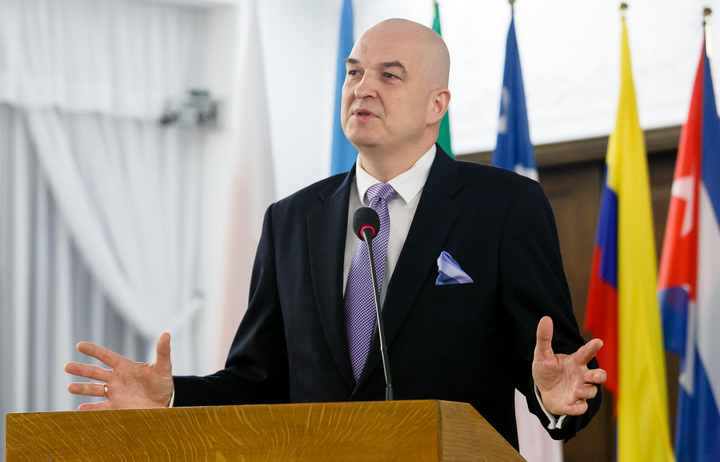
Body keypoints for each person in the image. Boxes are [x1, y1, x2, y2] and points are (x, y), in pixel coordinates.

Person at [65, 18, 606, 448]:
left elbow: (558, 362)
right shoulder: (291, 220)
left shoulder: (504, 206)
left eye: (389, 75)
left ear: (436, 105)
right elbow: (259, 380)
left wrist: (554, 397)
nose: (362, 88)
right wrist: (171, 397)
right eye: (354, 73)